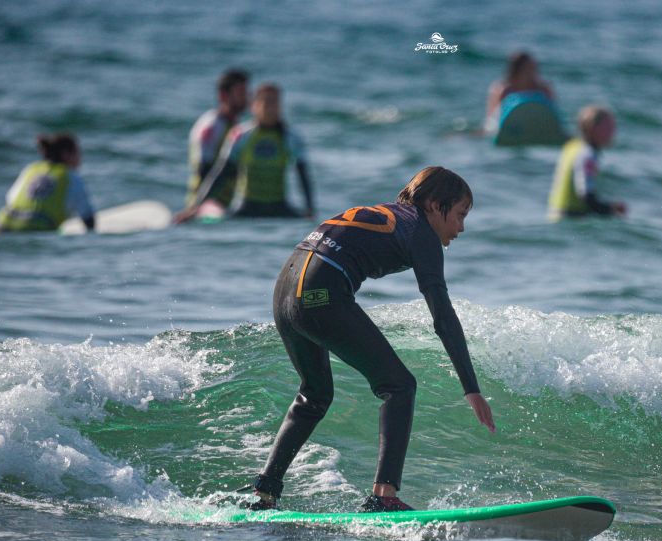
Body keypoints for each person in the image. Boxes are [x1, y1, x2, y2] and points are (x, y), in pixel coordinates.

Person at [247, 167, 496, 512]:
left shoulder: (392, 215)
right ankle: (384, 496)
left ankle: (265, 493)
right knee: (400, 385)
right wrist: (471, 387)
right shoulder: (421, 230)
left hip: (285, 288)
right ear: (436, 206)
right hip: (320, 289)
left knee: (314, 394)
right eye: (460, 215)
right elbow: (442, 315)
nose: (461, 228)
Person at [176, 83, 314, 222]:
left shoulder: (291, 137)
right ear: (254, 105)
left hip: (279, 207)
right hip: (247, 207)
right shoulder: (241, 135)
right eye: (266, 102)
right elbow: (221, 172)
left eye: (275, 102)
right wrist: (196, 207)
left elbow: (302, 175)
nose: (270, 107)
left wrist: (310, 210)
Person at [0, 133, 95, 235]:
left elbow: (10, 199)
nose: (81, 157)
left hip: (1, 227)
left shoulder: (31, 169)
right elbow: (88, 219)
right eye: (78, 152)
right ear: (66, 154)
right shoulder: (72, 177)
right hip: (34, 232)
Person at [548, 105, 627, 220]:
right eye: (608, 127)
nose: (613, 131)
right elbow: (586, 195)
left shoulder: (572, 146)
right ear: (593, 128)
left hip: (555, 215)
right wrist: (611, 210)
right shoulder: (588, 154)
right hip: (570, 219)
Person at [185, 68, 250, 208]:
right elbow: (204, 169)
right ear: (223, 95)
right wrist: (198, 206)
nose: (246, 98)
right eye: (241, 93)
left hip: (225, 204)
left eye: (246, 92)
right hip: (205, 205)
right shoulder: (212, 126)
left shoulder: (234, 126)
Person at [485, 51, 555, 130]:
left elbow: (553, 115)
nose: (533, 73)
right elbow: (491, 118)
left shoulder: (543, 89)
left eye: (534, 69)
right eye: (528, 69)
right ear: (516, 70)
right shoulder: (502, 89)